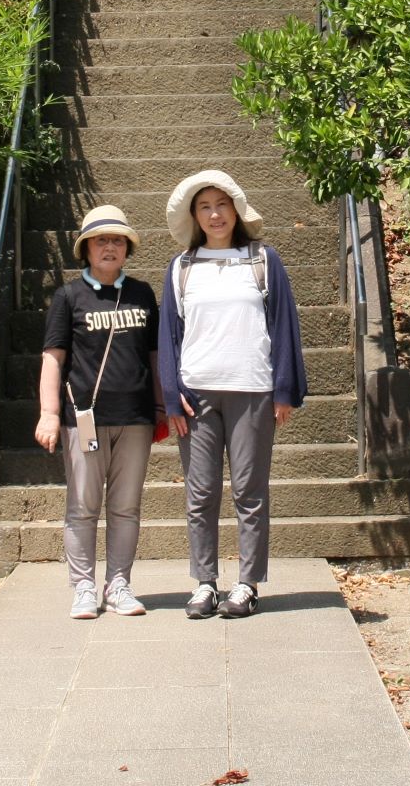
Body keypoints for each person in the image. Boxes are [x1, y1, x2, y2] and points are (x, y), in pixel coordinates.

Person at [158, 170, 306, 620]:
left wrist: (284, 389)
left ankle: (247, 584)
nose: (215, 214)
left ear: (236, 209)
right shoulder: (182, 267)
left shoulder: (263, 259)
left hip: (253, 390)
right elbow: (169, 335)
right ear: (194, 216)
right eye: (205, 206)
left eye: (222, 204)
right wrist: (170, 395)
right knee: (200, 492)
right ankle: (204, 582)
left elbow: (284, 326)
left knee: (249, 490)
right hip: (197, 394)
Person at [36, 205, 162, 619]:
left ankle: (119, 584)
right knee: (83, 506)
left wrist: (161, 405)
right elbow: (54, 357)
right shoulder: (69, 296)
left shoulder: (142, 294)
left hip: (136, 417)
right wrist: (49, 413)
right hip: (84, 417)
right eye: (101, 240)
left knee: (126, 506)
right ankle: (84, 586)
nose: (109, 247)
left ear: (127, 249)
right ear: (86, 249)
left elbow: (155, 354)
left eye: (117, 240)